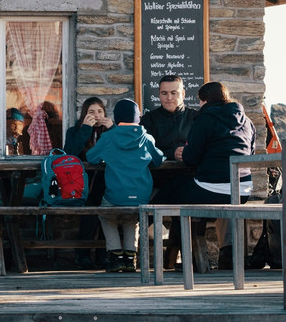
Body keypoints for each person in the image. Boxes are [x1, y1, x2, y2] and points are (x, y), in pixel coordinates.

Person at [165, 81, 257, 269]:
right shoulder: (246, 121)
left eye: (200, 101)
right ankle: (223, 255)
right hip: (243, 189)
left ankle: (192, 258)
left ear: (205, 100)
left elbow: (191, 157)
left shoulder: (205, 118)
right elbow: (251, 153)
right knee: (185, 191)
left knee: (171, 194)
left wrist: (183, 152)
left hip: (212, 188)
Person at [86, 99, 164, 272]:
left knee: (106, 216)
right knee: (131, 218)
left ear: (116, 117)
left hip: (115, 194)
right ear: (138, 118)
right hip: (141, 195)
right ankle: (130, 258)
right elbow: (158, 160)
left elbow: (91, 157)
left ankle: (116, 257)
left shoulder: (109, 137)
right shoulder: (146, 138)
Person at [141, 74, 197, 264]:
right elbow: (144, 151)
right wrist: (171, 153)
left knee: (181, 195)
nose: (169, 97)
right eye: (164, 93)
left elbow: (205, 146)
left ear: (183, 93)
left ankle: (174, 256)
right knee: (177, 195)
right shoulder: (149, 119)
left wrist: (188, 153)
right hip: (158, 178)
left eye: (174, 93)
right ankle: (181, 258)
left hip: (189, 179)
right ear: (159, 94)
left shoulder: (196, 117)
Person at [64, 97, 112, 268]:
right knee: (89, 215)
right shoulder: (74, 131)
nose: (97, 115)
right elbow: (69, 153)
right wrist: (85, 129)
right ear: (84, 114)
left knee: (106, 215)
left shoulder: (110, 131)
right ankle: (83, 254)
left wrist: (112, 129)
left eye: (100, 111)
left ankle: (103, 254)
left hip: (106, 181)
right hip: (82, 182)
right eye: (91, 112)